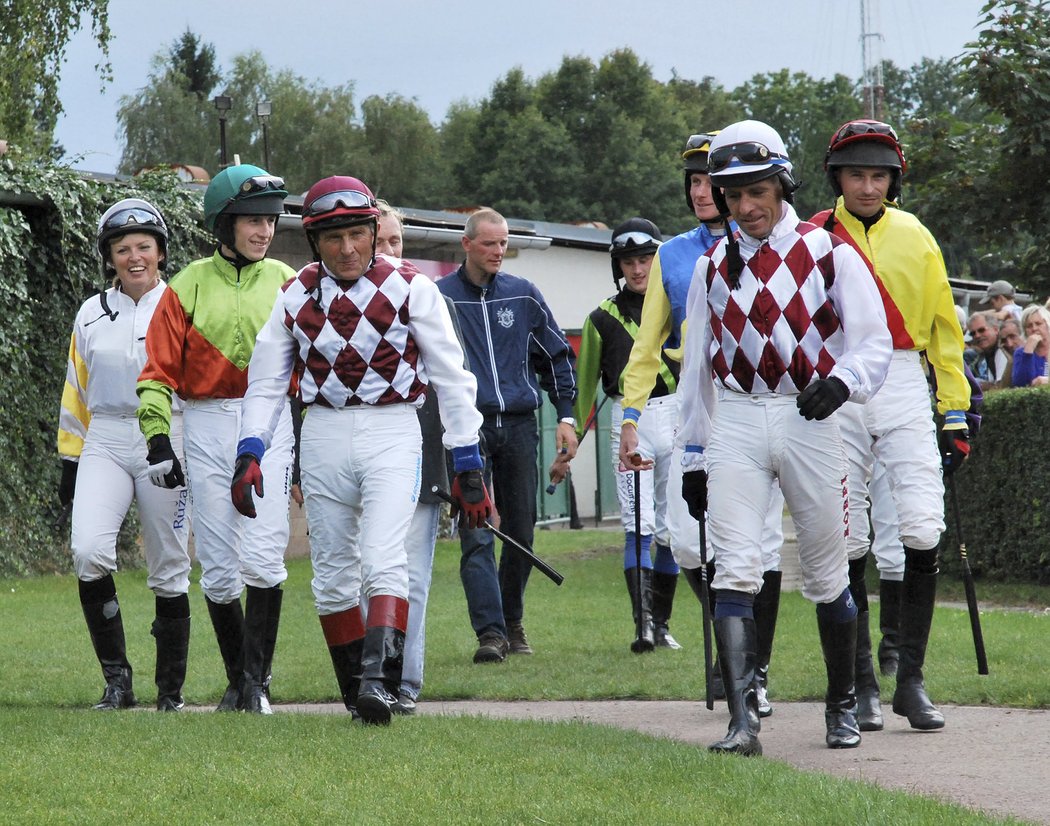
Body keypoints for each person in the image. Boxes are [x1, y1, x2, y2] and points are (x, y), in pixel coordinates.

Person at [232, 176, 487, 725]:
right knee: (331, 575)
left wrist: (467, 460)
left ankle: (381, 683)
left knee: (381, 559)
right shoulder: (294, 293)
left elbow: (452, 376)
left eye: (356, 235)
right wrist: (250, 451)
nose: (346, 249)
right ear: (314, 241)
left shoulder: (412, 286)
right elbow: (266, 384)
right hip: (321, 432)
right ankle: (355, 694)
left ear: (373, 232)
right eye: (332, 238)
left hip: (394, 430)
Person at [677, 119, 892, 755]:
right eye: (733, 194)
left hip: (812, 418)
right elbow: (696, 370)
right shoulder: (711, 266)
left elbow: (873, 342)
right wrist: (693, 455)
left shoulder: (830, 252)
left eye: (758, 190)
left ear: (782, 184)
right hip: (739, 419)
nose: (746, 206)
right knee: (735, 565)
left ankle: (841, 704)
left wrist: (843, 381)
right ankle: (743, 722)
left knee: (828, 572)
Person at [618, 131, 786, 716]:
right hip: (692, 409)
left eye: (708, 181)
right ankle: (732, 643)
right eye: (693, 182)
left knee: (759, 545)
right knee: (688, 543)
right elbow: (647, 345)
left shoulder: (770, 244)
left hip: (754, 405)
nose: (700, 192)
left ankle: (749, 670)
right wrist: (631, 417)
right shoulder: (672, 254)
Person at [813, 118, 971, 733]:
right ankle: (859, 685)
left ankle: (910, 678)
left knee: (923, 526)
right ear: (838, 178)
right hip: (841, 383)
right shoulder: (812, 238)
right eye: (857, 174)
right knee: (848, 537)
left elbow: (945, 335)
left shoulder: (918, 237)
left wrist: (953, 411)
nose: (868, 186)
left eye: (879, 175)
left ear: (893, 179)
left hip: (905, 380)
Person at [137, 164, 296, 714]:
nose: (264, 231)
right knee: (220, 567)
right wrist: (158, 437)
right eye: (252, 220)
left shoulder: (287, 280)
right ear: (223, 224)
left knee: (264, 554)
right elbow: (156, 371)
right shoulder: (185, 285)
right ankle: (241, 682)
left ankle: (258, 684)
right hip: (204, 422)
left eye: (270, 221)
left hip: (269, 421)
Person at [58, 198, 191, 711]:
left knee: (169, 563)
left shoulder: (181, 304)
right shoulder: (91, 312)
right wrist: (70, 459)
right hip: (106, 439)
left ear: (160, 252)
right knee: (89, 551)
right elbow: (76, 389)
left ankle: (170, 693)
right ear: (109, 256)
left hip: (168, 435)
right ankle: (117, 682)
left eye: (144, 247)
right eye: (122, 249)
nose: (134, 257)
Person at [438, 208, 578, 663]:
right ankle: (491, 633)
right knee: (477, 531)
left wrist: (567, 416)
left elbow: (557, 357)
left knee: (520, 528)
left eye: (503, 244)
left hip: (519, 426)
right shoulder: (439, 299)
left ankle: (513, 618)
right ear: (467, 245)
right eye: (489, 243)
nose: (499, 251)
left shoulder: (523, 296)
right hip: (467, 429)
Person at [360, 199, 462, 714]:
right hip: (357, 456)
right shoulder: (329, 303)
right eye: (379, 242)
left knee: (413, 574)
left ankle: (405, 683)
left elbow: (455, 384)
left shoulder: (425, 298)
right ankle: (369, 677)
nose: (388, 251)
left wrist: (465, 462)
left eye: (395, 241)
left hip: (423, 455)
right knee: (368, 571)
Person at [571, 217, 685, 652]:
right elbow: (585, 387)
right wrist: (571, 443)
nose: (638, 270)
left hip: (675, 415)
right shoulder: (601, 318)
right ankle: (642, 626)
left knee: (673, 526)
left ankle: (664, 625)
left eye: (645, 260)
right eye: (629, 262)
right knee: (639, 524)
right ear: (618, 266)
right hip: (629, 422)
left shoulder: (677, 308)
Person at [967, 311, 1007, 390]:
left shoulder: (1003, 349)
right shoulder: (988, 352)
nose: (977, 335)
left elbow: (1000, 388)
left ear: (996, 329)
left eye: (982, 330)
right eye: (973, 333)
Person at [1012, 304, 1050, 387]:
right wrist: (1028, 351)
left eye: (1038, 323)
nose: (1034, 329)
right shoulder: (1020, 353)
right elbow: (1020, 385)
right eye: (1029, 326)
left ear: (1047, 325)